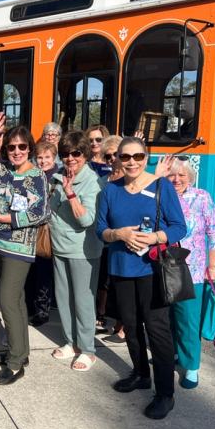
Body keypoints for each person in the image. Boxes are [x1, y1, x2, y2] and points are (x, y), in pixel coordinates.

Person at [96, 136, 187, 420]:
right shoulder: (110, 191)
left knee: (157, 331)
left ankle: (165, 394)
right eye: (126, 157)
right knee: (131, 326)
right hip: (121, 268)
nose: (132, 162)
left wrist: (155, 236)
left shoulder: (161, 187)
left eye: (137, 157)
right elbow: (100, 230)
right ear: (118, 160)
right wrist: (119, 234)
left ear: (146, 158)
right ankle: (140, 373)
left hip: (152, 270)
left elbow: (179, 227)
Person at [0, 112, 49, 385]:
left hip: (19, 248)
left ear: (30, 148)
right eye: (12, 147)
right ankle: (20, 351)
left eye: (22, 147)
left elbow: (40, 213)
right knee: (15, 302)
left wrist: (0, 218)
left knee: (6, 301)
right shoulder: (4, 170)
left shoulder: (37, 176)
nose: (16, 151)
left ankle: (15, 363)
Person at [155, 155, 215, 389]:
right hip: (162, 267)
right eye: (172, 174)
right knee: (166, 316)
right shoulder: (159, 195)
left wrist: (213, 266)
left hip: (192, 271)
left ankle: (191, 366)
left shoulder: (201, 197)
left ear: (190, 177)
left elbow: (214, 231)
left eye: (182, 175)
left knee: (187, 320)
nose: (176, 179)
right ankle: (171, 354)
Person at [48, 131, 104, 372]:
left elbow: (86, 220)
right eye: (65, 154)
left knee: (83, 300)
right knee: (63, 298)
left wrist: (70, 193)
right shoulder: (58, 177)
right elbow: (50, 210)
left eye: (76, 153)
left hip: (83, 250)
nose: (70, 158)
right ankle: (71, 342)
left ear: (86, 154)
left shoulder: (93, 182)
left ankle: (88, 350)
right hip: (59, 246)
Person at [25, 141, 59, 326]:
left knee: (44, 271)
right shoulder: (32, 174)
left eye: (47, 157)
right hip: (29, 229)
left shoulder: (57, 177)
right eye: (39, 157)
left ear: (54, 158)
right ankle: (29, 306)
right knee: (30, 270)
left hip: (47, 229)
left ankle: (42, 310)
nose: (43, 161)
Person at [96, 135, 125, 341]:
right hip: (105, 238)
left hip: (125, 239)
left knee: (121, 283)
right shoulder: (103, 181)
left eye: (117, 154)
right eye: (109, 156)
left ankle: (123, 328)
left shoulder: (133, 179)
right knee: (106, 282)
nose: (113, 158)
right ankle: (110, 321)